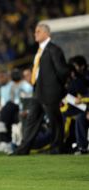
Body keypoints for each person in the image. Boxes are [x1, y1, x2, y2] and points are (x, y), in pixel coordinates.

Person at [13, 23, 70, 155]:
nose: (35, 34)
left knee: (55, 121)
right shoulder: (40, 51)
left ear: (46, 33)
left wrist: (59, 88)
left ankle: (57, 148)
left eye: (38, 32)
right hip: (38, 91)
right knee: (32, 120)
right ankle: (23, 149)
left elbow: (62, 71)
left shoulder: (54, 49)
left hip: (51, 92)